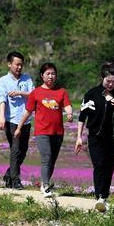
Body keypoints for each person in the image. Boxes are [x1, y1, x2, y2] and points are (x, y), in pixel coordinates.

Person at [75, 62, 114, 212]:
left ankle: (104, 197)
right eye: (108, 80)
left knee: (109, 166)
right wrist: (79, 137)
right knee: (99, 165)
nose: (111, 84)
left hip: (112, 137)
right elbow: (82, 117)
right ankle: (99, 196)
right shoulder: (91, 94)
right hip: (95, 137)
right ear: (102, 78)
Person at [15, 62, 72, 197]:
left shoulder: (61, 91)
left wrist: (69, 113)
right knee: (46, 157)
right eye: (48, 74)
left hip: (58, 132)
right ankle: (46, 186)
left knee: (52, 159)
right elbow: (27, 112)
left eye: (53, 74)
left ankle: (44, 183)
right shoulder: (36, 93)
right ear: (42, 76)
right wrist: (19, 127)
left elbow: (67, 106)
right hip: (42, 131)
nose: (51, 76)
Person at [0, 51, 34, 189]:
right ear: (9, 64)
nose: (19, 67)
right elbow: (2, 100)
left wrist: (20, 93)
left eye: (21, 65)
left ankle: (8, 174)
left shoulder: (27, 79)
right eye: (16, 64)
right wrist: (1, 117)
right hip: (11, 120)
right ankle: (15, 180)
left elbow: (34, 95)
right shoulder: (3, 81)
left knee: (23, 151)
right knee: (15, 149)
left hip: (26, 120)